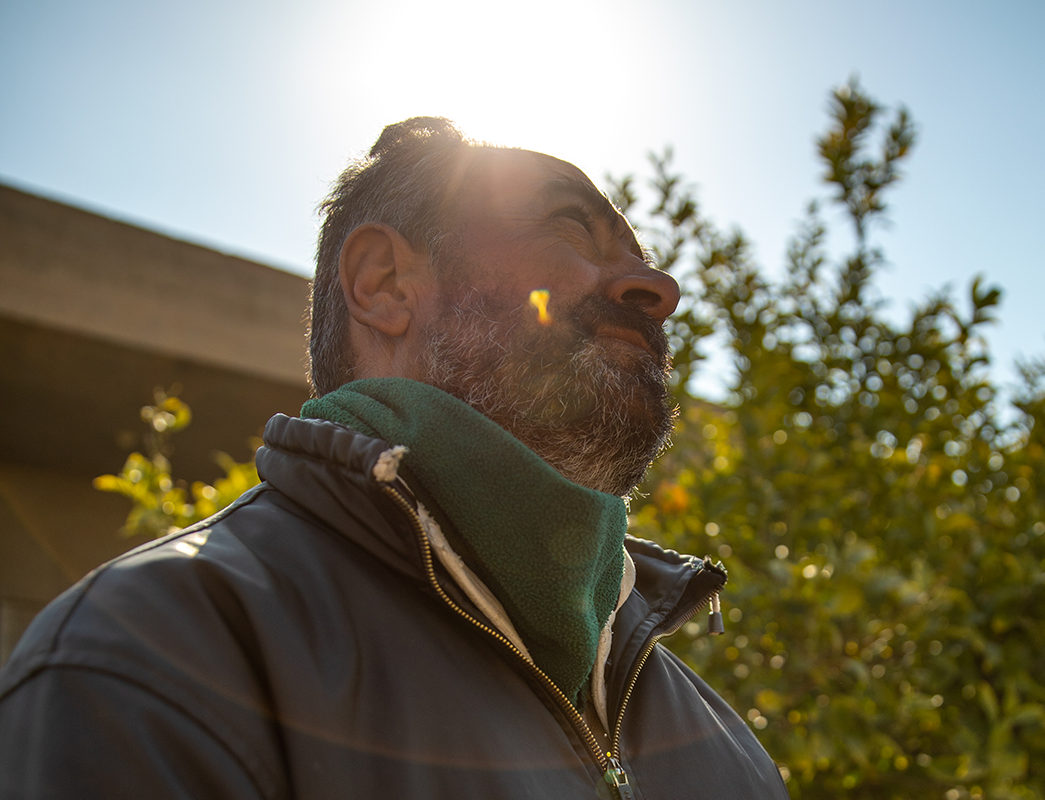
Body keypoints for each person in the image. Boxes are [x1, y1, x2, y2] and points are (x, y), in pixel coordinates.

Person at [0, 118, 788, 799]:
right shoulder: (153, 654)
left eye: (641, 255)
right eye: (572, 230)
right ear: (383, 283)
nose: (658, 286)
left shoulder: (729, 753)